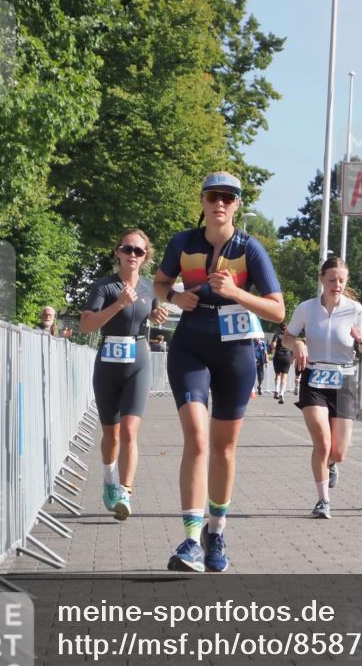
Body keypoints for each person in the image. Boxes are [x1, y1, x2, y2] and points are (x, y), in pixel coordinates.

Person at [154, 171, 284, 572]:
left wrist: (236, 293)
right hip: (191, 344)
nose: (220, 203)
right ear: (203, 201)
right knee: (196, 437)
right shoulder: (183, 243)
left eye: (228, 197)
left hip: (236, 351)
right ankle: (191, 540)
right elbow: (159, 283)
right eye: (213, 196)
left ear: (237, 205)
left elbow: (278, 310)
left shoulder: (250, 249)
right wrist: (176, 297)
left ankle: (217, 532)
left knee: (224, 447)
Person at [80, 229, 168, 521]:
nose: (132, 255)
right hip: (108, 362)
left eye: (139, 251)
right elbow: (86, 325)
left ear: (146, 257)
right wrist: (118, 304)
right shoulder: (104, 287)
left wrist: (156, 315)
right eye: (127, 249)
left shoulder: (150, 288)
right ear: (117, 252)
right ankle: (108, 480)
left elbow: (152, 313)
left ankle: (125, 492)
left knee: (130, 431)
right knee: (112, 434)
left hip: (138, 360)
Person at [285, 256, 362, 519]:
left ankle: (332, 464)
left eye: (342, 280)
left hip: (344, 380)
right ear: (322, 279)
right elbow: (287, 337)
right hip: (314, 378)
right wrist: (298, 344)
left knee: (338, 452)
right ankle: (323, 501)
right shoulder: (306, 308)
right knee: (322, 444)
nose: (337, 285)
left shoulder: (355, 309)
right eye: (332, 279)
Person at [270, 322, 293, 403]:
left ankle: (276, 390)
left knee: (277, 374)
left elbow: (273, 345)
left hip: (278, 356)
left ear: (280, 328)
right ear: (286, 328)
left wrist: (275, 347)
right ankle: (282, 394)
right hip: (286, 356)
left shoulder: (276, 335)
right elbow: (292, 346)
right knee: (284, 376)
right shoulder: (289, 335)